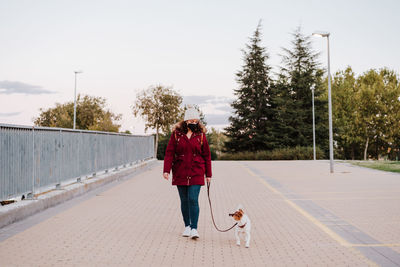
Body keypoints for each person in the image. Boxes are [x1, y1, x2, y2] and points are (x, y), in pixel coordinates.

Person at [163, 106, 212, 239]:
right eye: (191, 121)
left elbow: (207, 155)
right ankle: (187, 226)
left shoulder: (201, 135)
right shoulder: (176, 135)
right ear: (185, 121)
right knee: (184, 200)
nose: (194, 123)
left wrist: (208, 174)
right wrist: (166, 170)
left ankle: (194, 228)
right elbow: (169, 153)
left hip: (196, 171)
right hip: (180, 171)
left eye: (196, 121)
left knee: (193, 199)